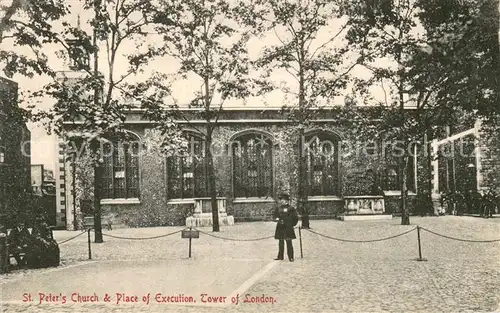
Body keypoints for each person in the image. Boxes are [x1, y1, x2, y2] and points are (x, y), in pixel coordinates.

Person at [273, 193, 299, 262]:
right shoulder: (278, 208)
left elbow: (295, 218)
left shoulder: (291, 209)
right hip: (280, 227)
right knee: (280, 242)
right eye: (281, 200)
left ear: (287, 200)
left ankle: (291, 257)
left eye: (283, 200)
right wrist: (277, 220)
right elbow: (274, 217)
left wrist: (290, 225)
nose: (281, 201)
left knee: (289, 242)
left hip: (288, 228)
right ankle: (280, 256)